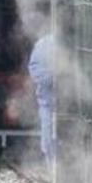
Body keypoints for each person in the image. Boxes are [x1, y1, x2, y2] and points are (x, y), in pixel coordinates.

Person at [27, 32, 56, 169]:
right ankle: (54, 170)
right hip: (49, 103)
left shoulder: (81, 41)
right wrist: (54, 76)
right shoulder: (44, 44)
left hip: (77, 104)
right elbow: (35, 70)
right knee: (50, 138)